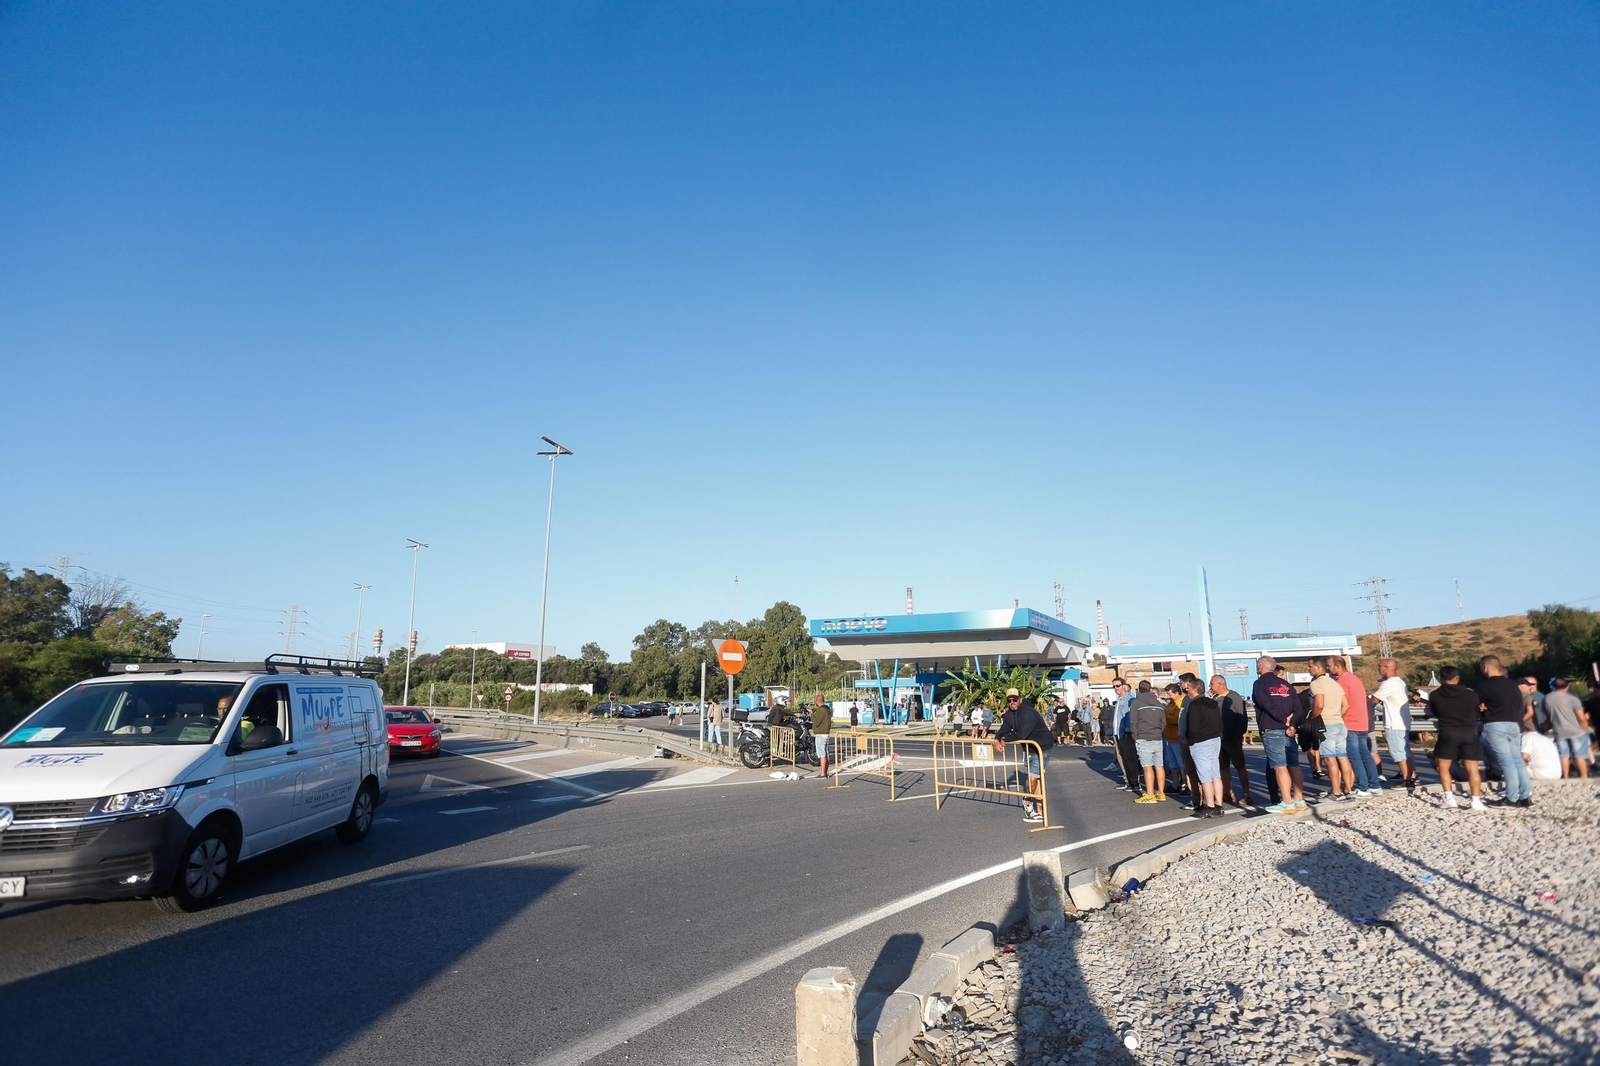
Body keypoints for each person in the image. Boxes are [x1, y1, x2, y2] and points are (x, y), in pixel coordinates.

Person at [1252, 657, 1307, 814]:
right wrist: (1293, 725)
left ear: (1261, 666)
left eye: (1258, 665)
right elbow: (1298, 709)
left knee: (1279, 766)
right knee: (1293, 764)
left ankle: (1287, 802)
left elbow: (1265, 704)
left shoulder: (1260, 684)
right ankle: (1299, 799)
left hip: (1272, 728)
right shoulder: (1286, 685)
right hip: (1288, 730)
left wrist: (1284, 721)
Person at [1477, 655, 1532, 808]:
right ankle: (1525, 796)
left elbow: (1476, 704)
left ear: (1485, 667)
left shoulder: (1485, 686)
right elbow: (1518, 707)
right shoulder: (1512, 685)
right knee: (1517, 761)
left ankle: (1512, 797)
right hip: (1513, 725)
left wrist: (1482, 708)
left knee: (1506, 762)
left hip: (1495, 725)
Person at [1430, 666, 1488, 810]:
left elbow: (1435, 712)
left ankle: (1449, 799)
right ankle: (1476, 801)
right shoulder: (1471, 695)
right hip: (1469, 732)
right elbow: (1475, 712)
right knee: (1472, 769)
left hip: (1447, 732)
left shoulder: (1435, 695)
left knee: (1443, 766)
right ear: (1458, 678)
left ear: (1442, 678)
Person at [995, 687, 1055, 823]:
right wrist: (996, 739)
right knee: (1037, 779)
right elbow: (1003, 729)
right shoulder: (1010, 714)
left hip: (1041, 748)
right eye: (1009, 700)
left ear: (1020, 699)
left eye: (1014, 699)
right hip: (1028, 749)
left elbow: (1022, 734)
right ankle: (1040, 810)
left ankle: (1027, 804)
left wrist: (1005, 739)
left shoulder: (1028, 712)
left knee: (1033, 779)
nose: (1012, 702)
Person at [1329, 657, 1380, 795]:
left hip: (1349, 723)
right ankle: (1375, 785)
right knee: (1365, 755)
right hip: (1362, 723)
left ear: (1337, 666)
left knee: (1354, 756)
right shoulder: (1355, 679)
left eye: (1330, 666)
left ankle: (1363, 787)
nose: (1328, 668)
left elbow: (1341, 702)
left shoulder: (1341, 681)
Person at [1308, 656, 1352, 801]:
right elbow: (1346, 705)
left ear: (1318, 668)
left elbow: (1319, 705)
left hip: (1326, 724)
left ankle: (1336, 792)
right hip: (1339, 723)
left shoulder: (1316, 684)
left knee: (1329, 759)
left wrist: (1312, 718)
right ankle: (1348, 790)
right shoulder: (1335, 683)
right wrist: (1337, 716)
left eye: (1310, 666)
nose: (1308, 669)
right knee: (1343, 757)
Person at [1183, 678, 1225, 818]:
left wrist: (1191, 740)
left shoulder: (1195, 705)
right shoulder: (1213, 703)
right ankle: (1219, 805)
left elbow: (1193, 727)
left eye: (1188, 688)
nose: (1186, 691)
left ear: (1194, 689)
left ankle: (1210, 806)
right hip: (1215, 738)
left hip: (1201, 741)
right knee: (1215, 773)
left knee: (1205, 776)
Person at [1210, 674, 1254, 806]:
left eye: (1212, 684)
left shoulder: (1234, 697)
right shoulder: (1214, 698)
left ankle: (1246, 794)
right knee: (1223, 767)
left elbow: (1241, 717)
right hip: (1219, 739)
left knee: (1240, 766)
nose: (1210, 687)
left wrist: (1238, 735)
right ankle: (1228, 792)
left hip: (1232, 739)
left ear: (1220, 684)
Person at [1373, 658, 1416, 790]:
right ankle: (1413, 776)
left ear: (1386, 667)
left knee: (1398, 753)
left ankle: (1406, 780)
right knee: (1406, 752)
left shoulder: (1388, 684)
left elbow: (1374, 700)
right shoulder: (1400, 682)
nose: (1378, 668)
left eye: (1380, 666)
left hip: (1394, 723)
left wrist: (1375, 704)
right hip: (1403, 722)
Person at [1543, 678, 1591, 779]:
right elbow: (1581, 717)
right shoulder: (1572, 699)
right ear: (1567, 686)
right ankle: (1584, 776)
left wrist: (1548, 726)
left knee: (1564, 755)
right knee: (1579, 755)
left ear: (1554, 686)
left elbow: (1546, 717)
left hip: (1559, 731)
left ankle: (1565, 776)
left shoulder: (1546, 698)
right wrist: (1585, 730)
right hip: (1576, 731)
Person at [1130, 680, 1168, 802]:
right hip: (1157, 737)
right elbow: (1163, 722)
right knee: (1159, 765)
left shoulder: (1136, 702)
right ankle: (1161, 792)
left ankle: (1150, 794)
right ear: (1150, 689)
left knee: (1147, 767)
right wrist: (1159, 731)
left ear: (1138, 689)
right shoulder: (1158, 703)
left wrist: (1135, 737)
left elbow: (1133, 722)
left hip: (1144, 737)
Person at [1111, 678, 1141, 792]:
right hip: (1117, 733)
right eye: (1113, 686)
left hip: (1125, 733)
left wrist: (1128, 731)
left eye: (1117, 686)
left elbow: (1130, 716)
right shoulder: (1119, 699)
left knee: (1130, 758)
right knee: (1121, 758)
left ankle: (1135, 782)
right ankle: (1127, 781)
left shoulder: (1129, 699)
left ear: (1123, 685)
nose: (1115, 688)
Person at [1161, 684, 1186, 794]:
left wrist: (1165, 717)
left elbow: (1177, 720)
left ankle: (1185, 784)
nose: (1168, 696)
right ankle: (1175, 784)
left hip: (1177, 738)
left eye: (1170, 694)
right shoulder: (1170, 704)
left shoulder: (1180, 703)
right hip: (1169, 738)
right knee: (1173, 764)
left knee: (1181, 764)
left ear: (1176, 693)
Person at [810, 694, 833, 778]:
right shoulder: (827, 710)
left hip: (821, 734)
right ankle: (826, 772)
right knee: (826, 754)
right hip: (826, 734)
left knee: (822, 754)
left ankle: (823, 773)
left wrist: (812, 714)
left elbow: (816, 722)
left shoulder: (821, 710)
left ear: (817, 701)